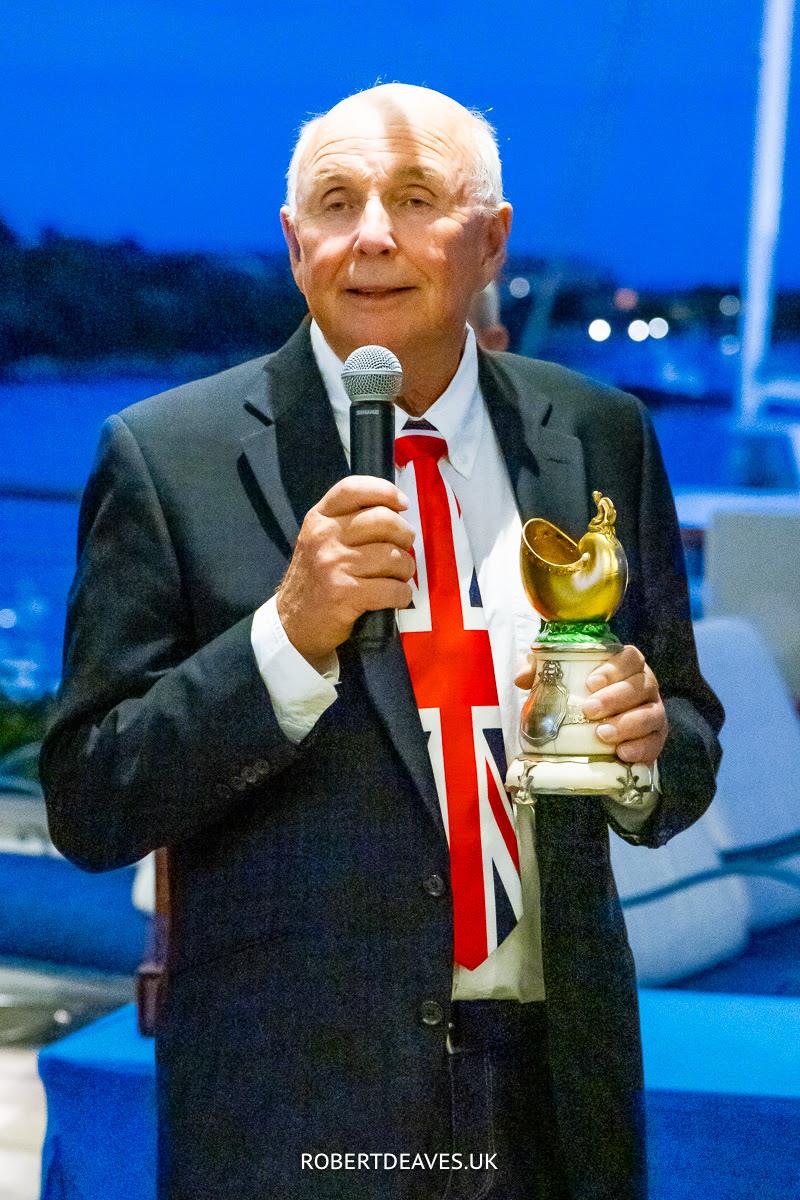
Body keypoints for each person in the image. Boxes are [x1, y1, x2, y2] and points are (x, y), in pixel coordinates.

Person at [41, 84, 723, 1200]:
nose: (370, 234)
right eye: (335, 200)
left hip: (554, 1098)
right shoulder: (171, 459)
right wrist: (283, 639)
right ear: (292, 238)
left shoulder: (597, 435)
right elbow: (90, 799)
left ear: (490, 239)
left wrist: (647, 750)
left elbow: (686, 738)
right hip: (296, 1108)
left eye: (414, 197)